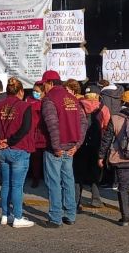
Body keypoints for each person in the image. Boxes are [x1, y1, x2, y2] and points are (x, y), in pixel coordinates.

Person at [41, 70, 88, 228]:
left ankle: (55, 217)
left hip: (57, 148)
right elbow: (83, 123)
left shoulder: (50, 99)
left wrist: (56, 147)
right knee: (68, 180)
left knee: (54, 182)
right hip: (70, 148)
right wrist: (77, 145)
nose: (43, 88)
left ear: (50, 83)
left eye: (44, 84)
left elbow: (52, 126)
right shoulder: (73, 99)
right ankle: (70, 214)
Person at [98, 90, 129, 226]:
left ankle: (125, 218)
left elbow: (107, 139)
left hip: (122, 158)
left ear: (122, 102)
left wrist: (101, 156)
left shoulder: (115, 118)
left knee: (123, 187)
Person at [0, 77, 35, 228]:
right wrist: (10, 141)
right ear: (21, 91)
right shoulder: (25, 106)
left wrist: (0, 140)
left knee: (5, 184)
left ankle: (5, 215)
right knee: (17, 186)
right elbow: (25, 129)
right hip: (19, 149)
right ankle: (17, 217)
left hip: (3, 150)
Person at [74, 84, 110, 210]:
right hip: (96, 144)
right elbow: (107, 127)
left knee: (78, 174)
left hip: (80, 144)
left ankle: (76, 202)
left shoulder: (77, 106)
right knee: (95, 172)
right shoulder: (103, 108)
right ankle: (95, 199)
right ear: (97, 95)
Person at [25, 81, 48, 188]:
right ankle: (35, 178)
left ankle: (46, 177)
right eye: (33, 90)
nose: (34, 92)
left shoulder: (47, 101)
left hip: (44, 133)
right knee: (35, 158)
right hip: (32, 133)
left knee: (46, 158)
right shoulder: (28, 100)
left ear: (43, 92)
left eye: (37, 91)